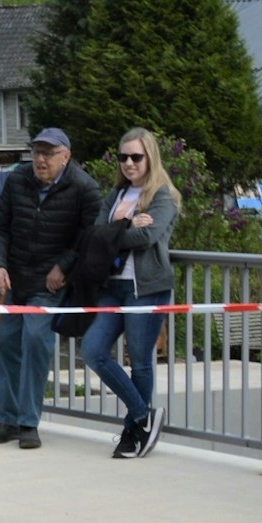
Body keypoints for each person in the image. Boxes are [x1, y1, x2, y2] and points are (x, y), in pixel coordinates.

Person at [0, 128, 101, 450]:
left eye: (48, 153)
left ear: (66, 156)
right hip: (13, 277)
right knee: (6, 343)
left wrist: (64, 266)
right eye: (36, 152)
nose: (40, 159)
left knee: (35, 340)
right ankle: (6, 419)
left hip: (48, 283)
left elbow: (89, 239)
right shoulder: (17, 180)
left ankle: (28, 422)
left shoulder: (84, 188)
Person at [81, 128, 180, 460]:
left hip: (147, 289)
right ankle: (143, 415)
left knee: (140, 362)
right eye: (123, 157)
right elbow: (95, 234)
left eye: (136, 157)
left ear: (149, 157)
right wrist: (127, 225)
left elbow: (148, 238)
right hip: (113, 287)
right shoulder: (116, 194)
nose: (128, 163)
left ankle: (131, 432)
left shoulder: (162, 195)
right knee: (93, 350)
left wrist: (118, 230)